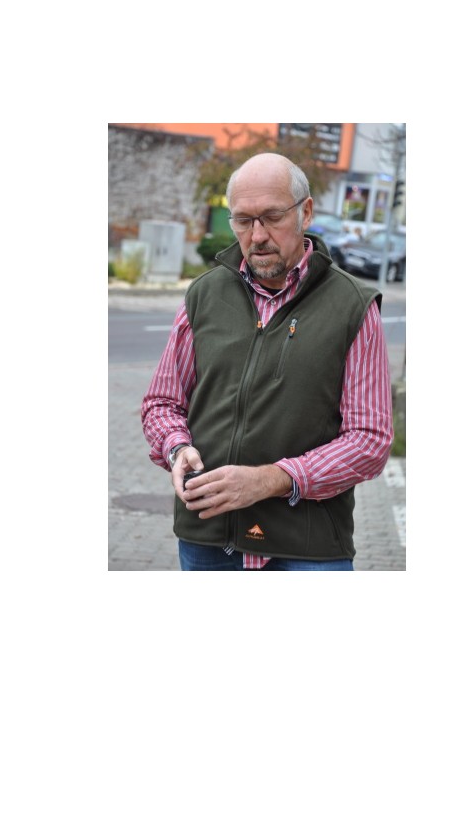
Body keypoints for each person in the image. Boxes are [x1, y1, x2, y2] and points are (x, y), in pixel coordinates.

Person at [141, 152, 393, 570]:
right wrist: (177, 447)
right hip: (207, 539)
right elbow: (162, 403)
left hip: (306, 547)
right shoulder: (204, 295)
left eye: (272, 217)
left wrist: (271, 480)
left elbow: (370, 439)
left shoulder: (353, 305)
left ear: (305, 213)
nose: (257, 235)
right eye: (243, 220)